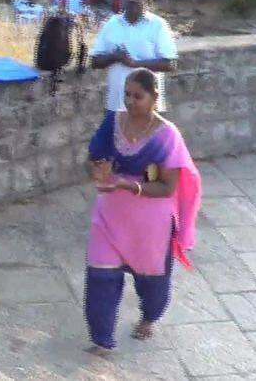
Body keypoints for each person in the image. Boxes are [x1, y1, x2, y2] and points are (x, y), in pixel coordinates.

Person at [85, 68, 201, 353]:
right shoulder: (112, 121)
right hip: (109, 214)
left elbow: (167, 187)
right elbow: (91, 159)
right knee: (100, 276)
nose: (131, 101)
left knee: (151, 280)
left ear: (154, 97)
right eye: (127, 95)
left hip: (150, 223)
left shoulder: (166, 135)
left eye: (138, 96)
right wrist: (95, 171)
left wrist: (127, 185)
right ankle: (101, 341)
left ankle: (149, 317)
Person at [91, 0, 178, 113]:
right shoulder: (111, 24)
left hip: (148, 110)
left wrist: (135, 63)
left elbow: (170, 63)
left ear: (147, 1)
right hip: (116, 106)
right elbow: (95, 61)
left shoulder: (158, 25)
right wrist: (115, 56)